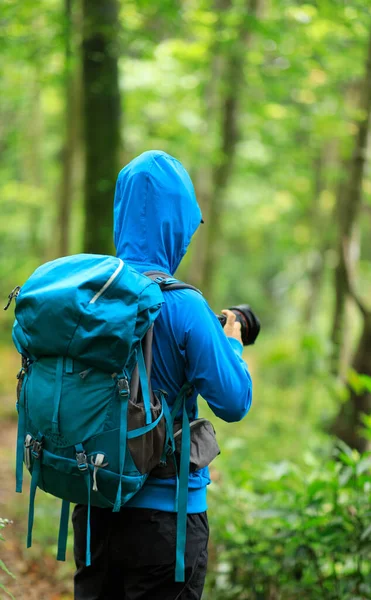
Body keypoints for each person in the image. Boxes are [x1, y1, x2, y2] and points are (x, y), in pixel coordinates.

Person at [72, 150, 252, 600]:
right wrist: (231, 341)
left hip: (94, 504)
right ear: (178, 221)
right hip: (166, 518)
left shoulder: (87, 298)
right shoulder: (185, 305)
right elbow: (234, 402)